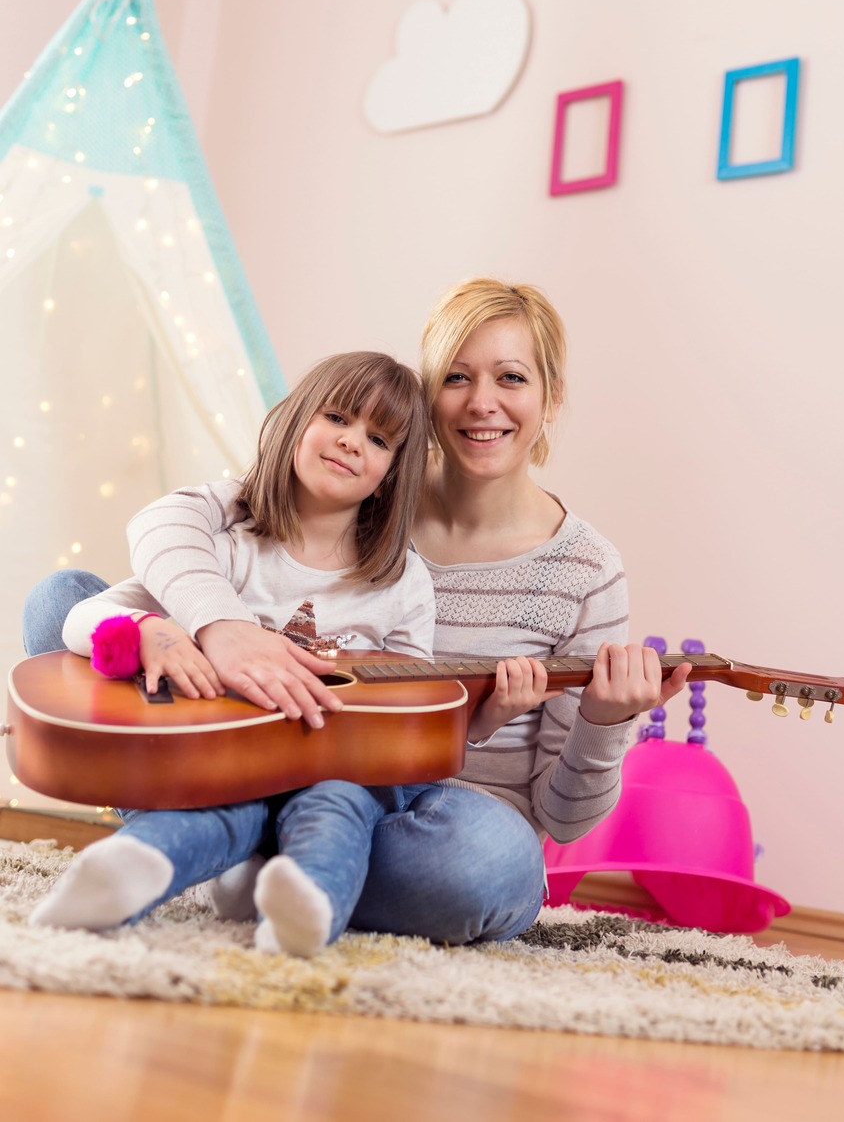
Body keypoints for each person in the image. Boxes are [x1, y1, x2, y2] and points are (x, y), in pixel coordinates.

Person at [25, 280, 691, 946]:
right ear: (428, 399)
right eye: (457, 377)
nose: (482, 402)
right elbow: (180, 521)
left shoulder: (582, 571)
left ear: (551, 396)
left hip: (419, 810)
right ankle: (253, 852)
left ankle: (215, 846)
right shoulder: (354, 499)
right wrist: (211, 629)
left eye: (511, 377)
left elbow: (562, 819)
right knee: (64, 604)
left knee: (486, 862)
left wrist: (604, 723)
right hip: (249, 740)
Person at [26, 350, 487, 956]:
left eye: (378, 439)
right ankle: (128, 867)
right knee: (227, 799)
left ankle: (304, 906)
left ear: (392, 473)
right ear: (297, 419)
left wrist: (488, 711)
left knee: (342, 801)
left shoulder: (402, 582)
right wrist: (150, 631)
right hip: (222, 765)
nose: (352, 443)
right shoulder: (228, 546)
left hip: (331, 766)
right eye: (339, 418)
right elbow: (79, 616)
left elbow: (415, 693)